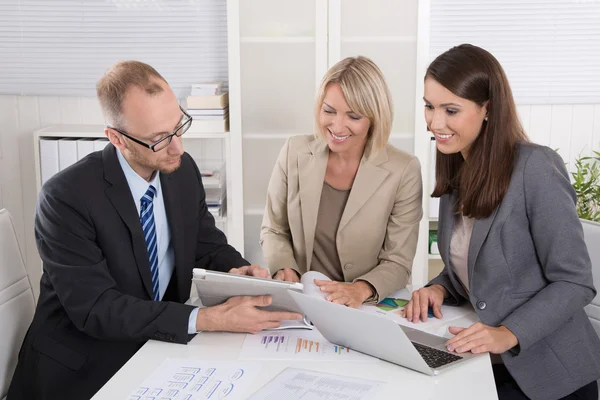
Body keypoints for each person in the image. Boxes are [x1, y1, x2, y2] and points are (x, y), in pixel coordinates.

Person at [8, 61, 301, 400]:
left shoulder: (181, 170)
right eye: (160, 139)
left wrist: (237, 271)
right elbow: (96, 309)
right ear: (116, 138)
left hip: (155, 349)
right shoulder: (66, 198)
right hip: (81, 367)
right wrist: (205, 319)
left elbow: (206, 243)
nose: (177, 147)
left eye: (179, 127)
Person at [404, 44, 600, 400]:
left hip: (548, 374)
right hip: (485, 366)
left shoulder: (536, 168)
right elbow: (476, 265)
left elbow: (575, 283)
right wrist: (440, 287)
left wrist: (508, 332)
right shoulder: (457, 168)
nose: (435, 122)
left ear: (487, 110)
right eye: (429, 106)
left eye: (451, 110)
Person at [261, 56, 423, 308]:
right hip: (302, 300)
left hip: (364, 305)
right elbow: (274, 230)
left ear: (374, 118)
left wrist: (360, 290)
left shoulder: (403, 170)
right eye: (329, 111)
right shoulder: (294, 151)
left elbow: (398, 262)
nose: (336, 126)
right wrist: (285, 269)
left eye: (353, 116)